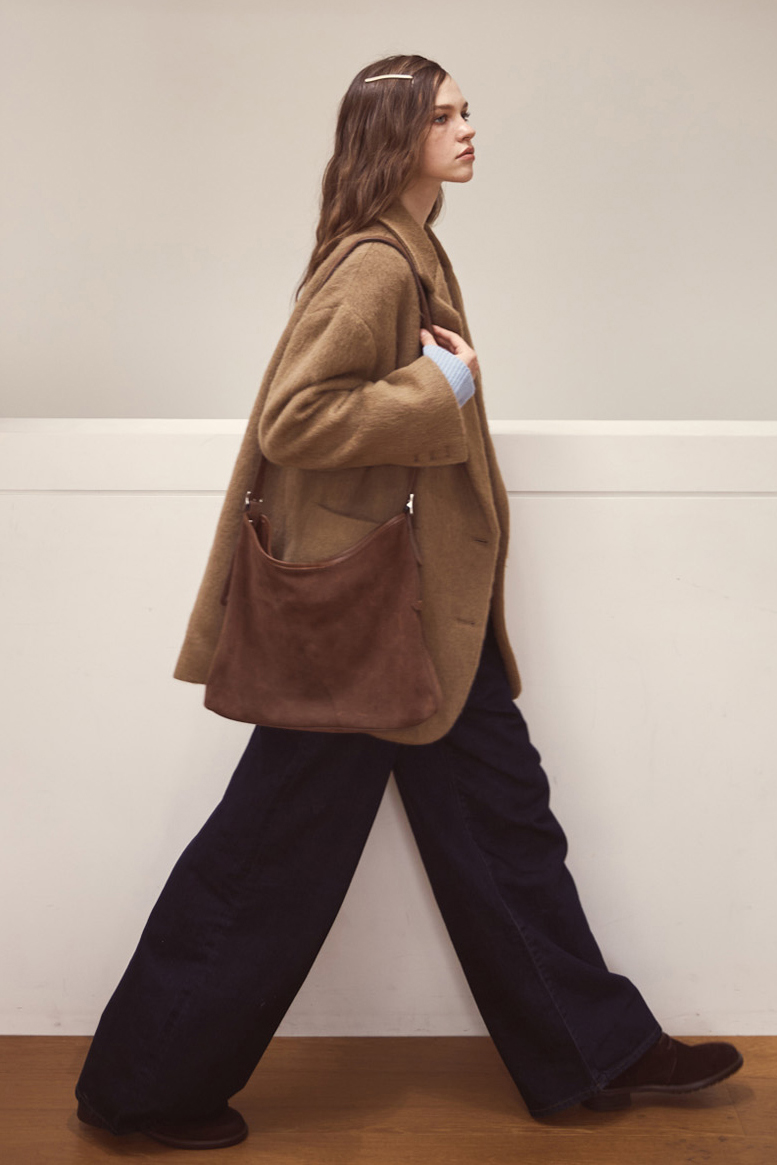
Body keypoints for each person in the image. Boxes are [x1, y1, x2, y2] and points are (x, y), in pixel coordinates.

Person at [75, 54, 743, 1151]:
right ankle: (141, 1088)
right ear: (395, 136)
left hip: (421, 619)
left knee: (503, 824)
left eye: (467, 110)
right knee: (269, 851)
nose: (468, 128)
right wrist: (443, 388)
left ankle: (594, 1050)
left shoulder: (414, 247)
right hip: (366, 623)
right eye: (443, 115)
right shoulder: (378, 265)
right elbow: (297, 417)